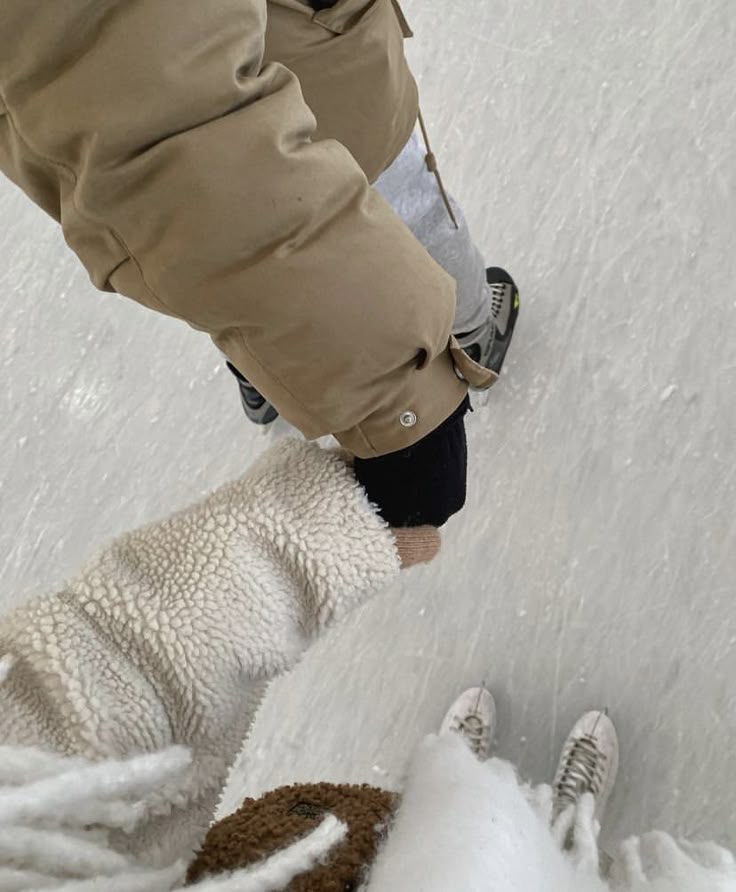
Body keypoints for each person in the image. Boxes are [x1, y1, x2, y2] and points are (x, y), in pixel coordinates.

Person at [0, 0, 519, 537]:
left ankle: (265, 378)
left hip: (260, 83)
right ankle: (472, 330)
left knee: (226, 261)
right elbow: (168, 119)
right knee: (401, 204)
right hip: (316, 71)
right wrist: (397, 397)